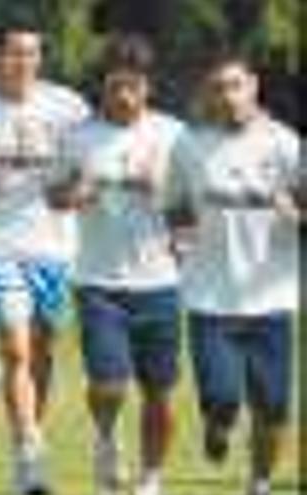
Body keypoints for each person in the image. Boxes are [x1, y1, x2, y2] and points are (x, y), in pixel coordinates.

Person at [0, 20, 89, 495]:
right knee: (14, 346)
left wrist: (70, 186)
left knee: (43, 348)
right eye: (14, 53)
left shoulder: (68, 107)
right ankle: (29, 447)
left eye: (31, 53)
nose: (23, 62)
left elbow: (86, 170)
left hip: (55, 246)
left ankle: (28, 435)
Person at [48, 34, 185, 495]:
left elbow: (194, 210)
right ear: (102, 87)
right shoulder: (78, 137)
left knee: (160, 394)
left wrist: (161, 188)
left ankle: (150, 478)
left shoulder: (173, 134)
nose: (125, 96)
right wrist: (74, 194)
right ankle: (107, 438)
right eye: (115, 86)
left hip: (160, 282)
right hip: (98, 283)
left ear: (148, 87)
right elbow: (53, 195)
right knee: (108, 386)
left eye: (134, 86)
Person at [170, 51, 301, 495]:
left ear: (254, 87)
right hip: (210, 298)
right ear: (208, 94)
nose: (227, 96)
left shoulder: (286, 144)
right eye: (218, 87)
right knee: (223, 398)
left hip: (271, 298)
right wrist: (179, 236)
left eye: (236, 85)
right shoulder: (189, 144)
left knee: (275, 408)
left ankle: (259, 482)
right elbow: (174, 205)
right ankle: (218, 428)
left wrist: (294, 210)